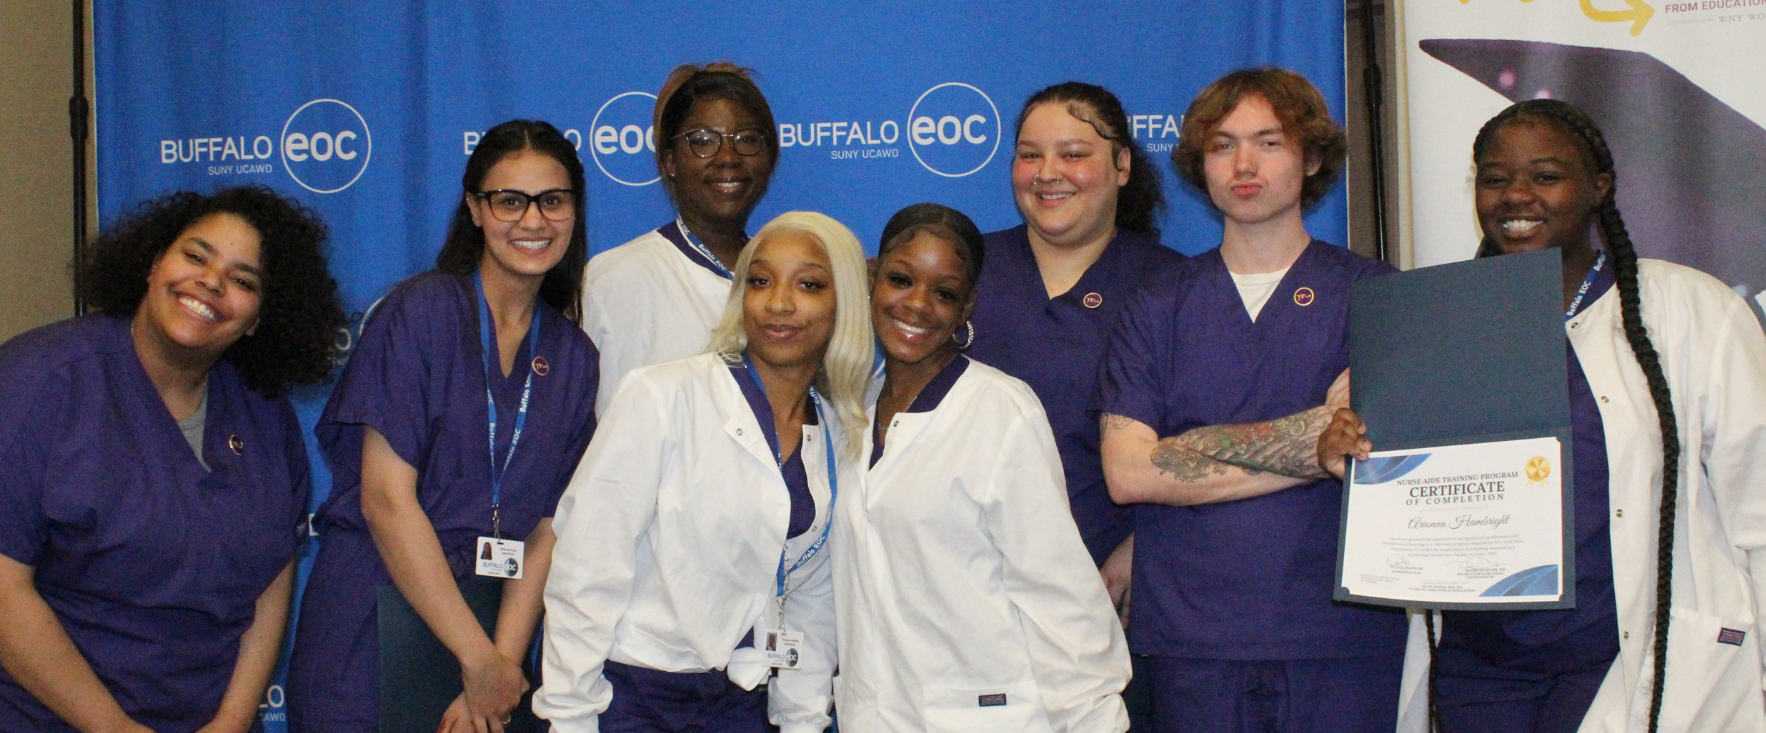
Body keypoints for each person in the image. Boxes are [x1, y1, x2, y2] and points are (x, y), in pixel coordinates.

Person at [1320, 99, 1766, 733]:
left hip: (1629, 658)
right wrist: (1356, 461)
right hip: (1480, 665)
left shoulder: (1692, 310)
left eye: (1547, 176)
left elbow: (1759, 508)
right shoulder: (1432, 319)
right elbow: (1414, 491)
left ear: (1597, 188)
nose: (1517, 196)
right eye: (1495, 179)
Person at [1094, 68, 1404, 732]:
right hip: (1194, 638)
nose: (1242, 163)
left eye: (1269, 141)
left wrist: (1181, 453)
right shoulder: (1158, 302)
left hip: (1339, 634)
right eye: (1222, 143)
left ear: (1312, 156)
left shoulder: (1376, 295)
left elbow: (1371, 450)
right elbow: (1127, 471)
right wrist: (1311, 438)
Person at [286, 119, 599, 733]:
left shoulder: (573, 356)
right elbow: (385, 499)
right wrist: (476, 658)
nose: (533, 221)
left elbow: (546, 529)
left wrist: (502, 665)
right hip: (377, 620)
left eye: (553, 201)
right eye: (510, 200)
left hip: (491, 624)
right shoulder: (422, 313)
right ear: (475, 209)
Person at [0, 186, 344, 732]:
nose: (211, 282)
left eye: (243, 280)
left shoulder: (262, 409)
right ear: (154, 262)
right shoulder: (38, 382)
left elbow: (273, 572)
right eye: (196, 256)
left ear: (257, 318)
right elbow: (3, 593)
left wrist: (232, 720)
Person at [537, 212, 872, 733]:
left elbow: (812, 598)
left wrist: (801, 720)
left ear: (844, 302)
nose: (779, 302)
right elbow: (587, 567)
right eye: (760, 281)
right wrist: (570, 715)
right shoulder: (664, 396)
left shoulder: (835, 432)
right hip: (628, 695)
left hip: (740, 702)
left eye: (808, 285)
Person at [835, 203, 1130, 733]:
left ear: (967, 305)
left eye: (944, 292)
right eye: (901, 280)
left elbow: (1058, 597)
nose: (918, 305)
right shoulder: (853, 409)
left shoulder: (1001, 411)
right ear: (872, 278)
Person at [966, 82, 1184, 621]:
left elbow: (1207, 438)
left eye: (1074, 154)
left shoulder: (1174, 287)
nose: (1047, 172)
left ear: (1122, 166)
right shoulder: (961, 272)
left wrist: (1146, 547)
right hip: (967, 591)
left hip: (1112, 593)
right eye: (1029, 155)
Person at [581, 62, 779, 417]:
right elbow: (614, 434)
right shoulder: (621, 277)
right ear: (670, 160)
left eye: (747, 139)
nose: (728, 158)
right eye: (703, 142)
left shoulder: (791, 279)